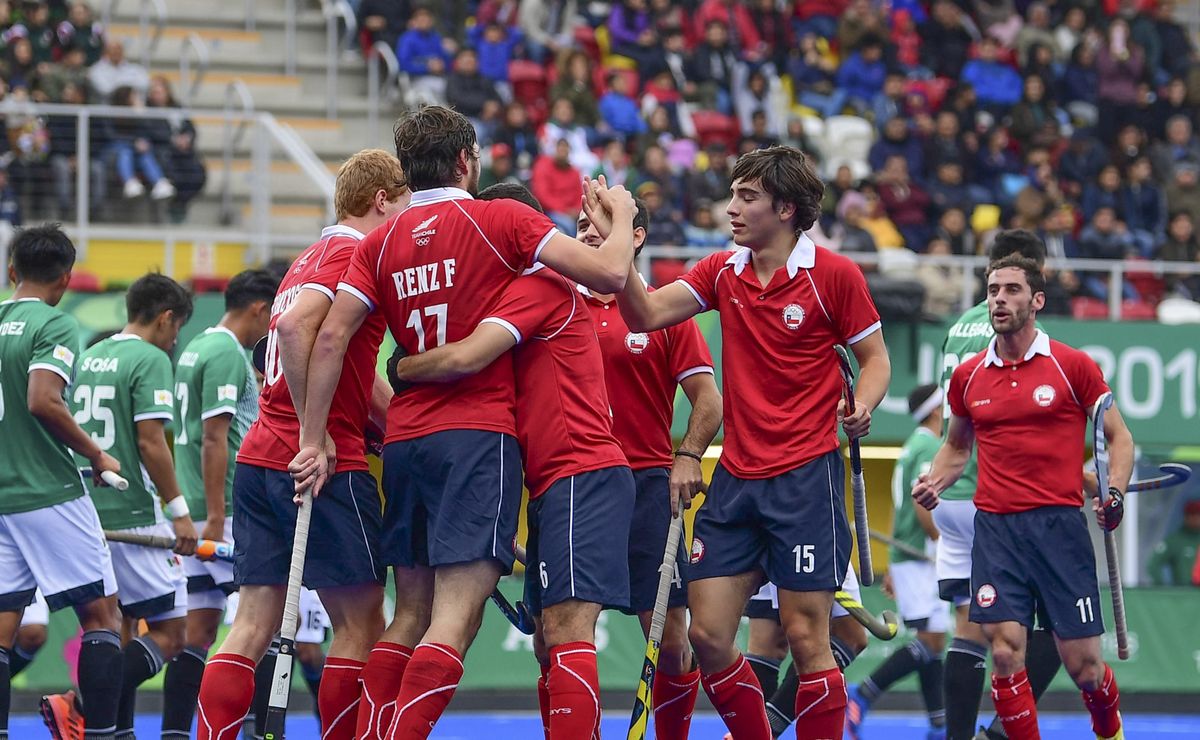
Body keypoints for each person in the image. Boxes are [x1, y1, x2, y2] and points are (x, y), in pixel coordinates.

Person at [289, 106, 636, 740]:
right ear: (466, 162)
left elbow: (330, 335)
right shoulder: (501, 221)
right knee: (456, 619)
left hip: (405, 442)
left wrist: (314, 434)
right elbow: (610, 274)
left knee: (409, 613)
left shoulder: (378, 242)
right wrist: (625, 217)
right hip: (479, 438)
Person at [615, 145, 891, 739]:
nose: (731, 208)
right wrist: (618, 236)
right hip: (736, 481)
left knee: (806, 637)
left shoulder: (834, 276)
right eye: (732, 194)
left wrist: (862, 405)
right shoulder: (721, 270)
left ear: (786, 208)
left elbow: (874, 361)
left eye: (747, 197)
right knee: (709, 637)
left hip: (805, 478)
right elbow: (642, 314)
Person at [388, 181, 637, 738]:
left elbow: (464, 355)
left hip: (582, 472)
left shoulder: (540, 284)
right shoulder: (531, 291)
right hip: (556, 481)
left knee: (567, 627)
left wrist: (399, 369)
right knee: (548, 638)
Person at [195, 149, 409, 740]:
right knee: (362, 621)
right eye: (406, 202)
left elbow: (339, 370)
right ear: (382, 201)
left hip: (260, 458)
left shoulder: (307, 257)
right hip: (318, 466)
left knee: (250, 624)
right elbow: (291, 331)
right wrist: (315, 436)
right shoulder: (353, 252)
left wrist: (390, 424)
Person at [913, 253, 1134, 740]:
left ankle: (1111, 731)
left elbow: (1120, 438)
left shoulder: (1072, 365)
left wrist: (1114, 493)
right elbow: (956, 447)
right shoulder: (968, 377)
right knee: (1007, 651)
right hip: (995, 531)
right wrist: (934, 481)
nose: (999, 299)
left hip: (1059, 530)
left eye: (1011, 290)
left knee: (1086, 668)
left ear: (1036, 300)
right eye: (993, 290)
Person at [575, 197, 723, 739]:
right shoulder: (555, 308)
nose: (588, 234)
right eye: (581, 227)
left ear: (634, 238)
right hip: (576, 485)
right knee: (561, 635)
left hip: (646, 487)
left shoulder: (663, 312)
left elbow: (709, 402)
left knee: (672, 637)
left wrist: (686, 455)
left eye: (601, 225)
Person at [0, 225, 124, 740]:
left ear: (12, 272)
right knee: (102, 617)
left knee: (3, 628)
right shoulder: (54, 324)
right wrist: (97, 454)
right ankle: (95, 735)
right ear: (67, 278)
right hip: (48, 492)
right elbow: (42, 400)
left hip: (2, 499)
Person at [69, 273, 197, 739]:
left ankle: (114, 730)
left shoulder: (92, 354)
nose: (175, 338)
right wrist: (179, 509)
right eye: (177, 327)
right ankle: (80, 704)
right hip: (134, 512)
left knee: (120, 625)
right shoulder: (149, 357)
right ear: (166, 319)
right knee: (172, 632)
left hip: (88, 508)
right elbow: (151, 443)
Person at [161, 268, 279, 737]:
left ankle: (174, 732)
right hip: (226, 511)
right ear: (260, 309)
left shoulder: (194, 346)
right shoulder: (228, 352)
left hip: (196, 506)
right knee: (262, 625)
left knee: (198, 634)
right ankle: (260, 730)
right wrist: (214, 517)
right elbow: (215, 438)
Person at [848, 383, 949, 740]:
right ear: (937, 411)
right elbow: (923, 502)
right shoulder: (929, 447)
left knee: (933, 645)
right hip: (920, 559)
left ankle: (939, 725)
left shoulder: (911, 447)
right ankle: (864, 694)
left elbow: (900, 506)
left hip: (909, 558)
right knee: (932, 641)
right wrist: (943, 545)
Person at [1146, 500, 1200, 586]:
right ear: (1186, 517)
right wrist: (1162, 588)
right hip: (1184, 594)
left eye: (1198, 515)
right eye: (1192, 514)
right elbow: (1153, 565)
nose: (1196, 518)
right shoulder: (1175, 541)